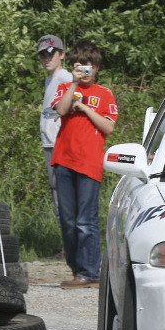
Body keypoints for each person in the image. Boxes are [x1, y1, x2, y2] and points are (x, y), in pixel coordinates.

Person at [51, 40, 117, 289]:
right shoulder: (65, 87)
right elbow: (61, 110)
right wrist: (74, 85)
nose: (85, 70)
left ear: (97, 67)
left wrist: (84, 108)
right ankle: (78, 269)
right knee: (68, 221)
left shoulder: (105, 93)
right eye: (79, 65)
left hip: (89, 163)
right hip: (64, 160)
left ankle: (90, 271)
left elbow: (108, 127)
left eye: (89, 66)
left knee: (85, 220)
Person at [38, 35, 71, 219]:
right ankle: (63, 227)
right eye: (43, 55)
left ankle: (67, 227)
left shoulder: (65, 77)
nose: (47, 58)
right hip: (49, 140)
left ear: (62, 54)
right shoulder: (49, 79)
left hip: (60, 140)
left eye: (51, 54)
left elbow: (72, 105)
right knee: (55, 186)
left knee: (62, 186)